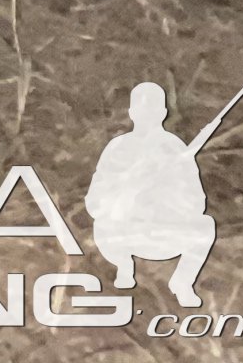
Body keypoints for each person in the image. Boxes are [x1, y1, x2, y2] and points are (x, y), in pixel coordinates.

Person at [86, 83, 220, 307]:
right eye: (141, 109)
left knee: (205, 226)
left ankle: (183, 282)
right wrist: (129, 186)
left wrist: (168, 190)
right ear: (131, 112)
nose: (147, 116)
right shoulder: (117, 148)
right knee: (102, 223)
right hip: (126, 232)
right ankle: (123, 267)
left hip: (166, 232)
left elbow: (197, 201)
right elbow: (95, 201)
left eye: (153, 110)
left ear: (163, 113)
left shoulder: (175, 149)